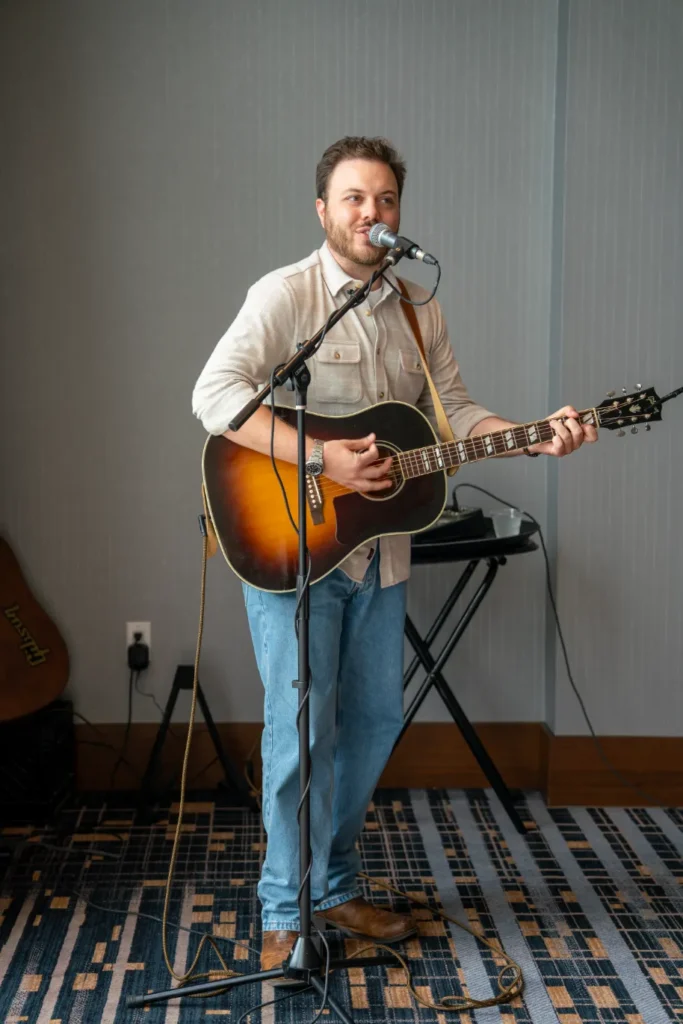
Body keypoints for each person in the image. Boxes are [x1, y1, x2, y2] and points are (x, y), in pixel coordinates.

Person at [192, 136, 597, 974]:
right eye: (353, 198)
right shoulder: (286, 295)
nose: (371, 213)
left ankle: (334, 886)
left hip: (380, 556)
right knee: (299, 730)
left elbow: (455, 414)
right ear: (323, 210)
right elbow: (214, 395)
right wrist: (322, 460)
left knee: (374, 720)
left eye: (384, 199)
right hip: (290, 546)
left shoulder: (419, 308)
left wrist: (530, 436)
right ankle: (284, 909)